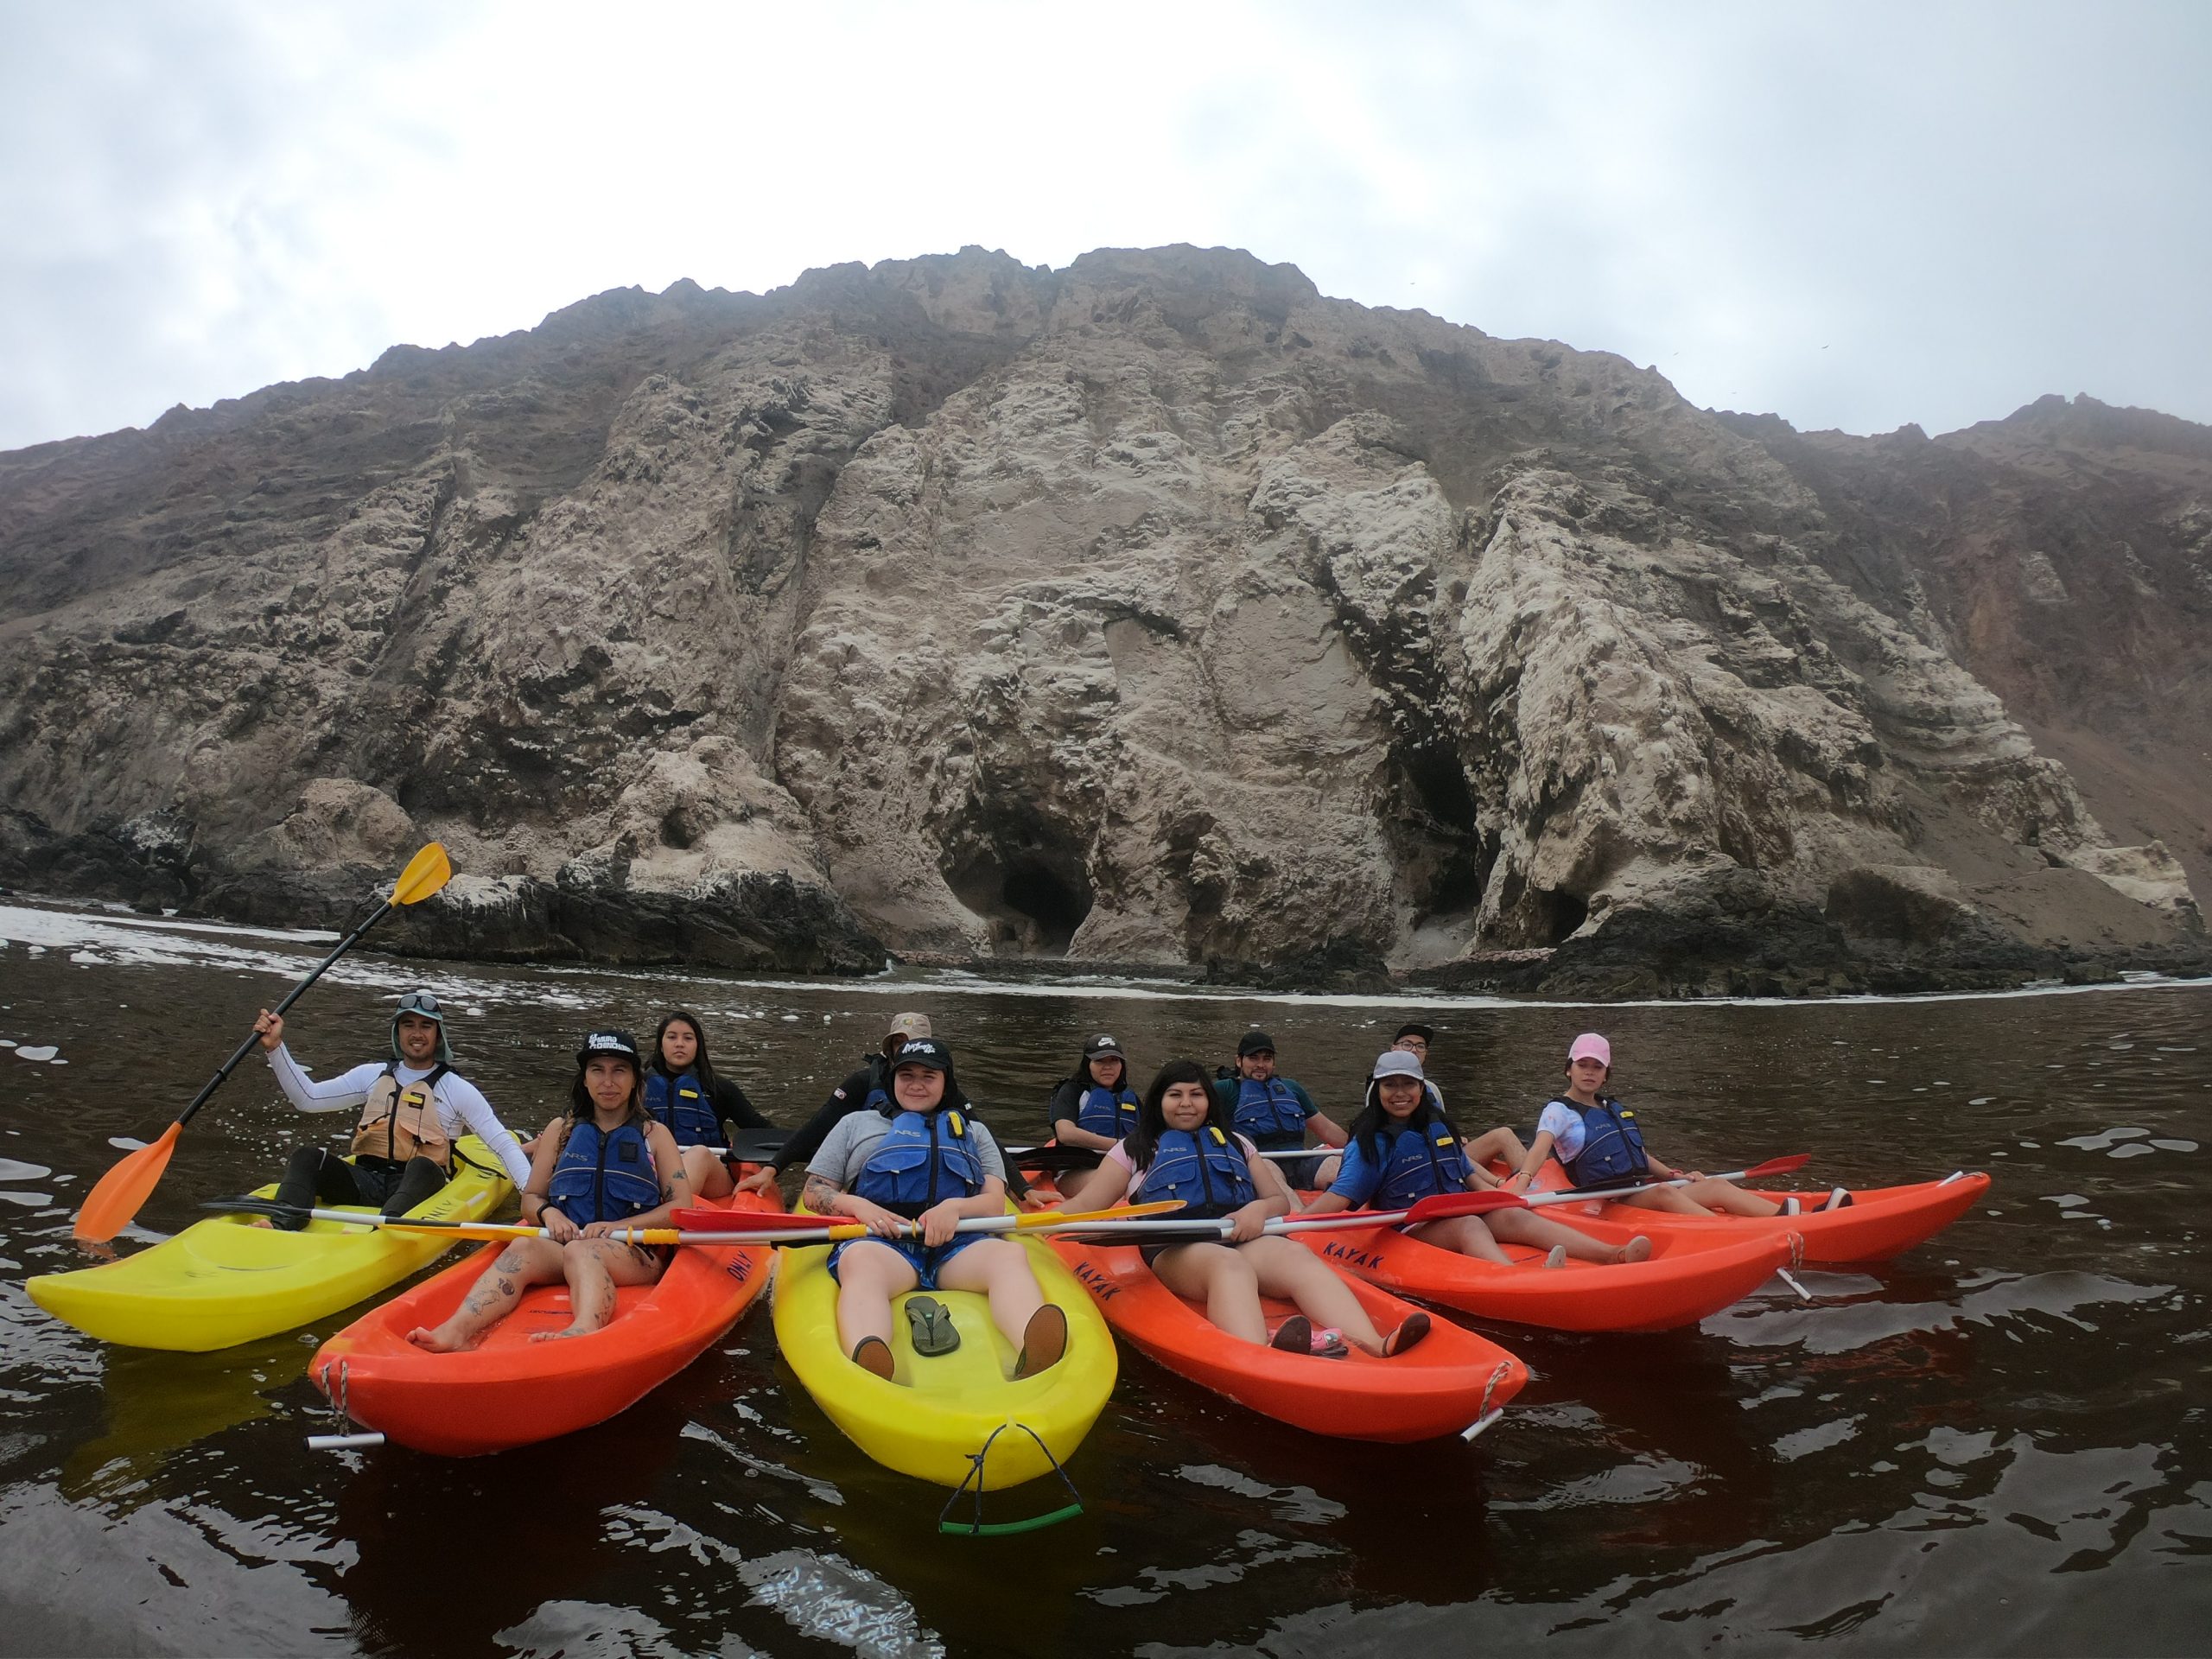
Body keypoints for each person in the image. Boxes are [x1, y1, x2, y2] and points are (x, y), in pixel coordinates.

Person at [1062, 1058, 1429, 1358]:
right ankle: (1258, 1353)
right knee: (1228, 1265)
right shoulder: (1135, 1149)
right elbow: (1085, 1206)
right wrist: (1041, 1216)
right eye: (1175, 1095)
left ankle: (1374, 1344)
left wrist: (1255, 1211)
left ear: (1210, 1102)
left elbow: (1276, 1199)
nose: (1187, 1103)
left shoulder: (1237, 1143)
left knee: (1295, 1256)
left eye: (1196, 1095)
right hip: (1176, 1248)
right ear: (1159, 1102)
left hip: (1238, 1235)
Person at [407, 1030, 694, 1350]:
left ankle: (584, 1328)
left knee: (582, 1251)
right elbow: (531, 1199)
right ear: (585, 1079)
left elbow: (681, 1205)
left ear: (634, 1081)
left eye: (619, 1070)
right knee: (520, 1249)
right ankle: (456, 1331)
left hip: (633, 1251)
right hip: (566, 1245)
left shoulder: (654, 1135)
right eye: (597, 1070)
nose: (608, 1081)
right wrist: (549, 1213)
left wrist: (620, 1227)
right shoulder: (561, 1131)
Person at [800, 1038, 1066, 1381]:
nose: (916, 1085)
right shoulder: (856, 1125)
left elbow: (992, 1201)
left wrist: (954, 1207)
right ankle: (869, 1359)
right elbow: (813, 1191)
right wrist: (858, 1205)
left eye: (929, 1076)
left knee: (1007, 1257)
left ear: (946, 1082)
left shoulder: (975, 1132)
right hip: (884, 1244)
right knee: (859, 1262)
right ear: (892, 1079)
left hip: (957, 1247)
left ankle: (1033, 1347)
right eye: (906, 1074)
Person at [1302, 1051, 1651, 1267]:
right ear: (1377, 1092)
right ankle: (1512, 1277)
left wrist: (1501, 1191)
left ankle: (1611, 1254)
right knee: (1471, 1225)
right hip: (1412, 1225)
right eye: (1389, 1085)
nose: (1399, 1093)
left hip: (1457, 1207)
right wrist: (1296, 1223)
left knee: (1512, 1213)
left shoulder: (1437, 1126)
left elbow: (1465, 1170)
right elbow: (1341, 1196)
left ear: (1421, 1089)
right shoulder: (1372, 1141)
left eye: (1407, 1085)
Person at [252, 989, 532, 1229]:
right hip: (365, 1182)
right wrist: (275, 1048)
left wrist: (535, 1201)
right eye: (408, 1024)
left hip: (419, 1185)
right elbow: (309, 1099)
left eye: (426, 1025)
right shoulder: (371, 1075)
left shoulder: (456, 1089)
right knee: (307, 1156)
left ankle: (384, 1230)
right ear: (398, 1032)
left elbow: (503, 1146)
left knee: (423, 1166)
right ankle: (282, 1222)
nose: (417, 1033)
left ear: (438, 1034)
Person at [1497, 1033, 1849, 1216]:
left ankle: (1794, 1216)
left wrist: (1676, 1175)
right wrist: (1522, 1184)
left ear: (1606, 1075)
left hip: (1639, 1188)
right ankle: (1733, 1233)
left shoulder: (1610, 1107)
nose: (1589, 1071)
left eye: (1597, 1066)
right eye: (1583, 1064)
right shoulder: (1559, 1111)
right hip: (1607, 1201)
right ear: (1568, 1068)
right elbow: (1540, 1148)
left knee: (1709, 1186)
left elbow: (1639, 1154)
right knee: (1665, 1194)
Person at [735, 1011, 931, 1197]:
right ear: (891, 1048)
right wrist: (772, 1169)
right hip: (866, 1176)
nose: (907, 1049)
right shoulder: (863, 1082)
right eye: (900, 1043)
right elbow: (818, 1126)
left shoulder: (941, 1088)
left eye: (914, 1043)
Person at [645, 1010, 770, 1200]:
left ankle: (663, 1211)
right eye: (672, 1037)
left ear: (698, 1046)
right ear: (661, 1045)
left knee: (699, 1154)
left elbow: (761, 1129)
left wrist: (804, 1143)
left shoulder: (718, 1087)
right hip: (651, 1172)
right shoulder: (636, 1087)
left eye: (688, 1038)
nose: (679, 1044)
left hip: (711, 1176)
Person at [1212, 1030, 1348, 1190]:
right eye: (1253, 1058)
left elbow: (1325, 1128)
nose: (1260, 1065)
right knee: (1269, 1171)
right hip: (1261, 1163)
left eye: (1267, 1059)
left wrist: (1360, 1150)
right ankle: (1300, 1214)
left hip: (1300, 1160)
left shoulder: (1291, 1088)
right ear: (1239, 1061)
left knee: (1340, 1166)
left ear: (1273, 1063)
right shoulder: (1225, 1090)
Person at [1047, 1033, 1141, 1160]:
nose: (1108, 1067)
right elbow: (1065, 1134)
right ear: (1088, 1064)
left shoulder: (1131, 1097)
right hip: (1080, 1164)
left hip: (1124, 1164)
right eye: (1099, 1060)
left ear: (1121, 1065)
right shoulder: (1072, 1090)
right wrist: (1120, 1146)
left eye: (1114, 1060)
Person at [1392, 1020, 1448, 1112]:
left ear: (1425, 1053)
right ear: (1393, 1049)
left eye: (1420, 1046)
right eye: (1407, 1045)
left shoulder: (1432, 1088)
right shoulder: (1380, 1085)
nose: (1414, 1050)